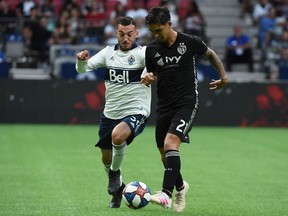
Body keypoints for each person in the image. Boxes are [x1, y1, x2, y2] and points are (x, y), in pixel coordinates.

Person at [141, 6, 228, 212]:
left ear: (169, 24)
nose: (156, 34)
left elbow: (211, 54)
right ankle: (181, 187)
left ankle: (165, 193)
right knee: (165, 155)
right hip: (164, 105)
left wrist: (223, 77)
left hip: (187, 102)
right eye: (153, 31)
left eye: (159, 29)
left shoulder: (190, 42)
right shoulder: (151, 49)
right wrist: (148, 76)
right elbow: (152, 72)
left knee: (171, 143)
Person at [75, 16, 151, 208]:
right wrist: (81, 61)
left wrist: (151, 74)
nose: (126, 38)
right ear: (116, 33)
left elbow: (154, 69)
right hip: (110, 113)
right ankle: (118, 191)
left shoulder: (144, 54)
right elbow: (82, 70)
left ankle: (115, 175)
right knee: (106, 158)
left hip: (137, 110)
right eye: (122, 34)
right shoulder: (108, 53)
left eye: (130, 34)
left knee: (118, 137)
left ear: (137, 34)